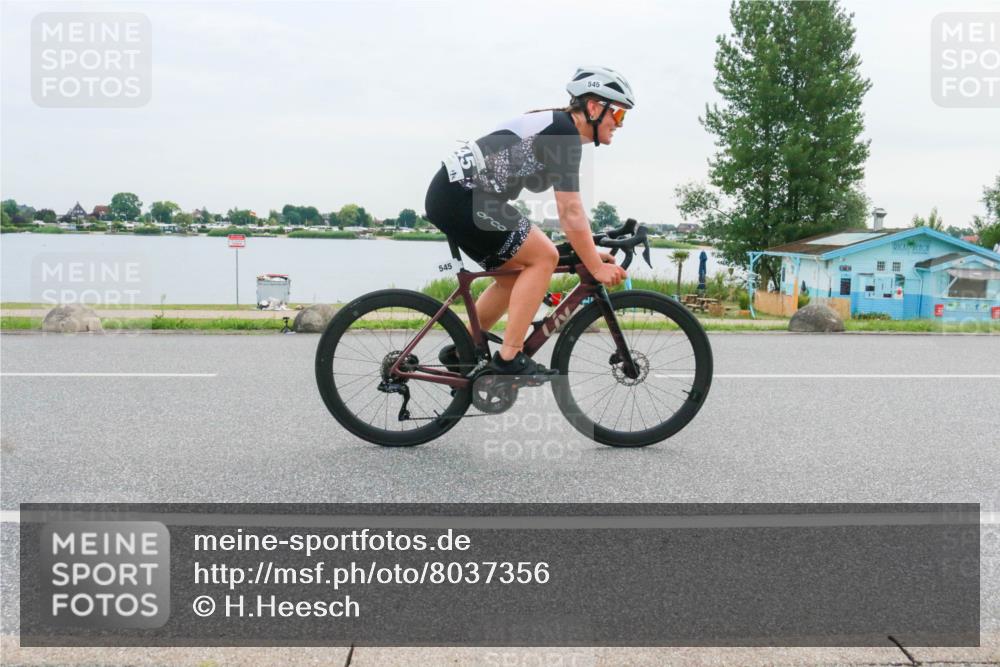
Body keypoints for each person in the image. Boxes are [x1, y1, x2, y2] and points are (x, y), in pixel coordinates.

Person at [425, 66, 633, 379]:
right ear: (593, 107)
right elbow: (570, 211)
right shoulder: (563, 133)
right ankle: (509, 358)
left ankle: (462, 351)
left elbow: (566, 211)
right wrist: (594, 266)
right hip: (464, 196)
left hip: (454, 196)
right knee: (544, 257)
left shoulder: (557, 127)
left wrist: (586, 251)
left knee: (513, 278)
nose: (620, 123)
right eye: (617, 113)